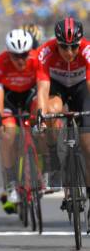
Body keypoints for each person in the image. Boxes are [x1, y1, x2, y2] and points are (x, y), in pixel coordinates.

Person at [36, 17, 89, 202]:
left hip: (81, 88)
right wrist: (41, 116)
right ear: (56, 43)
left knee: (87, 144)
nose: (69, 52)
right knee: (50, 112)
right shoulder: (45, 51)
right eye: (64, 47)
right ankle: (53, 161)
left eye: (74, 46)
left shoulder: (87, 51)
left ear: (80, 42)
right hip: (57, 87)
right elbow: (42, 89)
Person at [0, 29, 38, 213]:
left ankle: (44, 167)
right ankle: (10, 182)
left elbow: (43, 90)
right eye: (15, 56)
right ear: (8, 53)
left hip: (29, 97)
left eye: (24, 55)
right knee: (8, 134)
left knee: (41, 127)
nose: (20, 60)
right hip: (9, 98)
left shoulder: (36, 60)